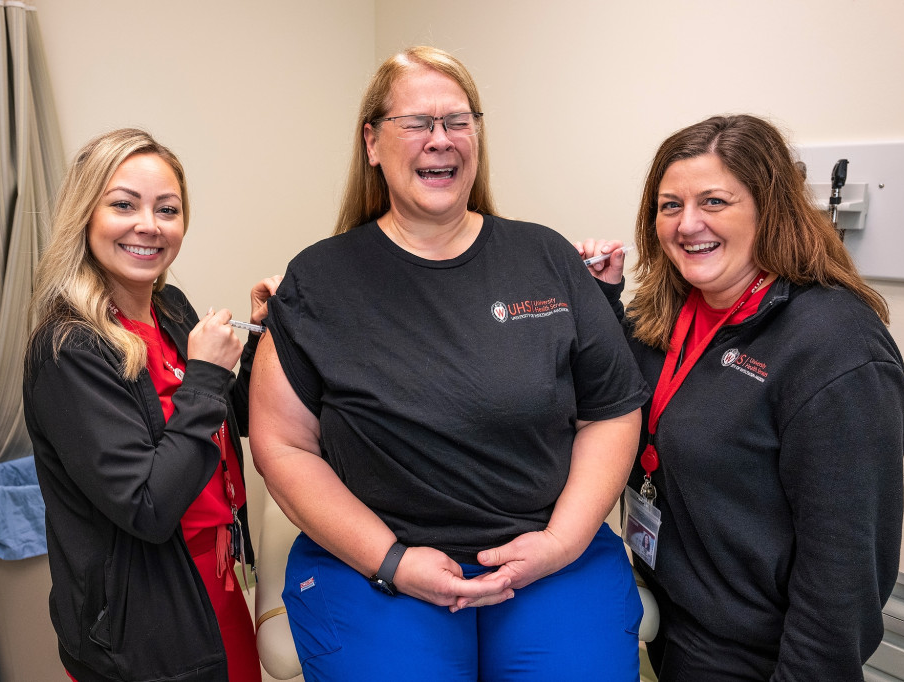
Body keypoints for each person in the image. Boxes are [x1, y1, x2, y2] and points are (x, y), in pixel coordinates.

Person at [248, 46, 650, 681]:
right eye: (417, 123)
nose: (441, 140)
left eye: (457, 121)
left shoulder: (544, 257)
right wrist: (391, 561)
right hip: (374, 565)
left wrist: (561, 543)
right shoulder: (319, 282)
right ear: (372, 142)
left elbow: (611, 410)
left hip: (552, 556)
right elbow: (285, 446)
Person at [581, 114, 904, 681]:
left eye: (714, 202)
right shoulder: (664, 315)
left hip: (763, 658)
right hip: (676, 626)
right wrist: (603, 304)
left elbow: (844, 577)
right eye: (669, 206)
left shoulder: (834, 348)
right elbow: (620, 399)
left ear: (769, 207)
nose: (688, 225)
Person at [23, 128, 280, 682]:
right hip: (143, 621)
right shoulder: (68, 349)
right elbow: (147, 505)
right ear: (85, 215)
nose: (149, 225)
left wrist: (261, 338)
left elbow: (222, 414)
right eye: (123, 204)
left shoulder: (171, 308)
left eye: (168, 209)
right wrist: (208, 373)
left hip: (216, 578)